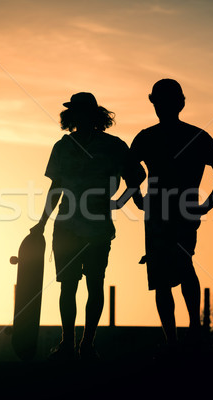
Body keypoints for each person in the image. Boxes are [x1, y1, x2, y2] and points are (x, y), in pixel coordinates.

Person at [31, 92, 145, 360]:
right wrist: (42, 223)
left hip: (97, 227)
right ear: (71, 116)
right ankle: (67, 343)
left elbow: (137, 175)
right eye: (76, 112)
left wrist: (119, 202)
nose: (80, 117)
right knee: (67, 285)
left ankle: (87, 344)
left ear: (94, 116)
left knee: (95, 284)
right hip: (66, 225)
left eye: (85, 112)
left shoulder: (113, 145)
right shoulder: (62, 147)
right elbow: (55, 187)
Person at [130, 79, 213, 351]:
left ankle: (186, 336)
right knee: (170, 273)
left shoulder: (160, 137)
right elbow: (129, 170)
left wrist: (206, 205)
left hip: (171, 212)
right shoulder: (184, 136)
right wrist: (138, 197)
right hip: (164, 212)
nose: (161, 107)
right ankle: (181, 338)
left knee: (175, 270)